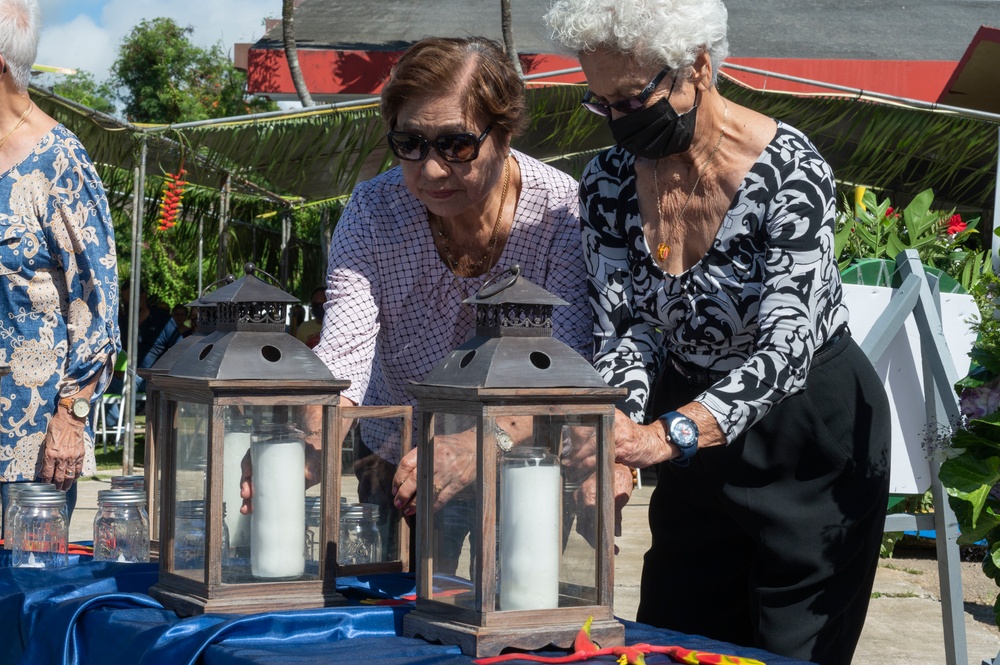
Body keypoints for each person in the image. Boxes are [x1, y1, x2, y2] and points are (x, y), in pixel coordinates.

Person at [545, 2, 891, 664]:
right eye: (601, 103)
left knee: (791, 651)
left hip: (808, 438)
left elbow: (787, 349)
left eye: (631, 98)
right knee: (673, 638)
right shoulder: (610, 183)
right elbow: (628, 325)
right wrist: (617, 433)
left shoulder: (790, 170)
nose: (618, 120)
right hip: (692, 446)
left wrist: (662, 436)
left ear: (698, 68)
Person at [303, 36, 633, 569]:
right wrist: (310, 432)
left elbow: (569, 368)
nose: (431, 170)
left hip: (523, 459)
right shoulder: (373, 211)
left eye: (456, 146)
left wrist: (484, 440)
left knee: (516, 617)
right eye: (409, 143)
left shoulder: (559, 213)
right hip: (397, 454)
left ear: (503, 135)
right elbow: (346, 349)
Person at [0, 0, 120, 529]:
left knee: (22, 600)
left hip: (25, 445)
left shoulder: (60, 161)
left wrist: (71, 419)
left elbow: (97, 305)